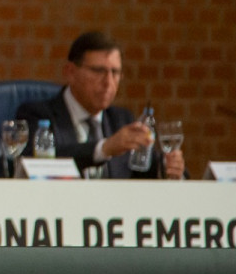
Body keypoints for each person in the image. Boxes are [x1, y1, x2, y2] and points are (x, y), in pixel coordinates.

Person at [15, 31, 186, 179]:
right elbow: (38, 165)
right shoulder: (37, 115)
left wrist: (168, 167)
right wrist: (104, 148)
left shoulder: (122, 119)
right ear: (70, 72)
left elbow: (143, 173)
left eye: (115, 72)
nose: (108, 82)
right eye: (98, 71)